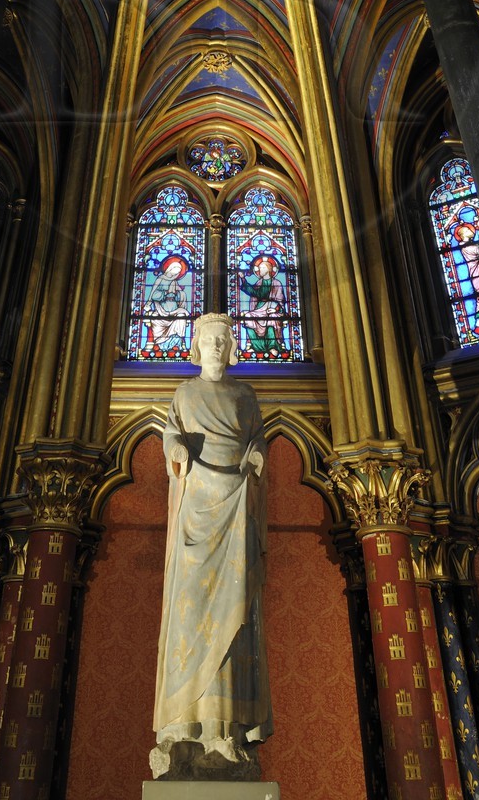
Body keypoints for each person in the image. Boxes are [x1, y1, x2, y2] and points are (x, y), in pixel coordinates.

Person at [150, 313, 272, 781]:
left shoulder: (245, 395)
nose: (216, 347)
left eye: (223, 340)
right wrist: (176, 447)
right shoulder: (184, 393)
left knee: (234, 616)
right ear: (196, 345)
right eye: (209, 339)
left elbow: (257, 439)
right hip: (196, 515)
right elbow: (171, 432)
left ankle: (226, 732)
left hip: (235, 513)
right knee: (190, 618)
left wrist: (256, 454)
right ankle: (185, 728)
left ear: (232, 347)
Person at [241, 253, 286, 358]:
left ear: (268, 269)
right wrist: (243, 279)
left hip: (272, 309)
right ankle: (256, 346)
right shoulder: (259, 283)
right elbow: (255, 293)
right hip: (259, 309)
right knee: (248, 317)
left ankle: (272, 346)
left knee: (271, 318)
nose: (260, 270)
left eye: (262, 267)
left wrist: (275, 309)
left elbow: (280, 300)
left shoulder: (277, 283)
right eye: (259, 268)